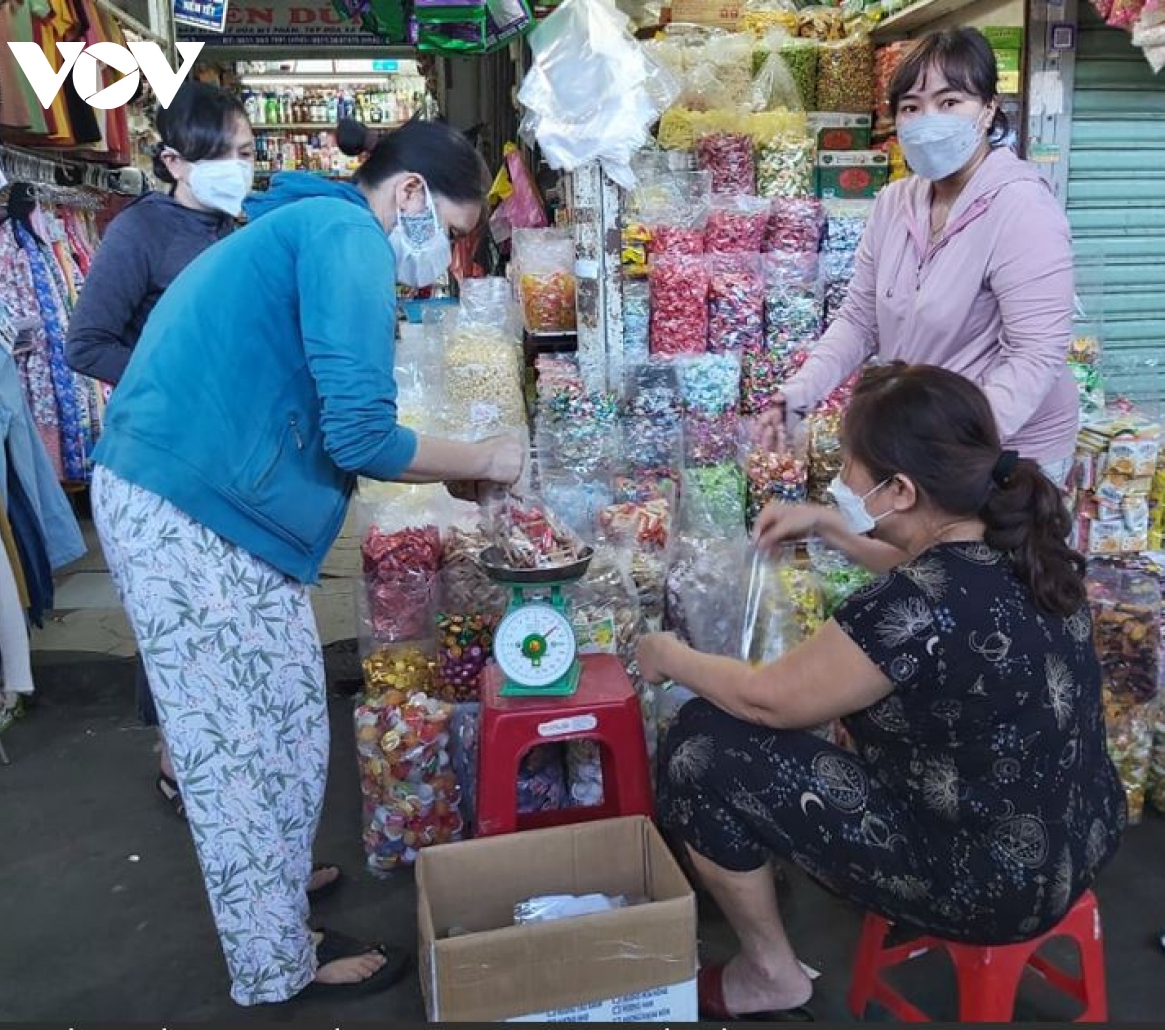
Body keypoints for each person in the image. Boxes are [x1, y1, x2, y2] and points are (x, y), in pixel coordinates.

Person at [89, 118, 524, 1005]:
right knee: (244, 747)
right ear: (407, 194)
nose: (440, 255)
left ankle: (274, 886)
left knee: (285, 721)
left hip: (210, 501)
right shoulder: (343, 236)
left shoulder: (313, 225)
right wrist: (484, 458)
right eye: (444, 230)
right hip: (188, 506)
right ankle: (273, 964)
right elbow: (358, 431)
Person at [638, 363, 1125, 1021]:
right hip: (1079, 837)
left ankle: (770, 971)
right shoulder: (1022, 543)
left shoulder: (912, 606)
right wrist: (837, 529)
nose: (841, 482)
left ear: (899, 490)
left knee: (701, 743)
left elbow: (766, 700)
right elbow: (935, 580)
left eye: (849, 469)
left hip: (984, 883)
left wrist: (670, 656)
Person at [759, 28, 1077, 485]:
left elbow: (1034, 356)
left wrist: (954, 450)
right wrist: (797, 395)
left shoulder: (1022, 207)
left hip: (1006, 451)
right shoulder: (894, 202)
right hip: (922, 438)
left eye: (949, 103)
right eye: (911, 107)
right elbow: (859, 319)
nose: (928, 119)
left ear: (988, 109)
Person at [66, 82, 254, 818]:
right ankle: (178, 760)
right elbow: (87, 343)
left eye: (245, 152)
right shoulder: (140, 231)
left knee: (221, 612)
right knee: (174, 614)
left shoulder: (229, 230)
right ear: (174, 160)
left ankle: (217, 753)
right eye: (219, 155)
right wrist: (173, 379)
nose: (237, 167)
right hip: (159, 458)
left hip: (221, 455)